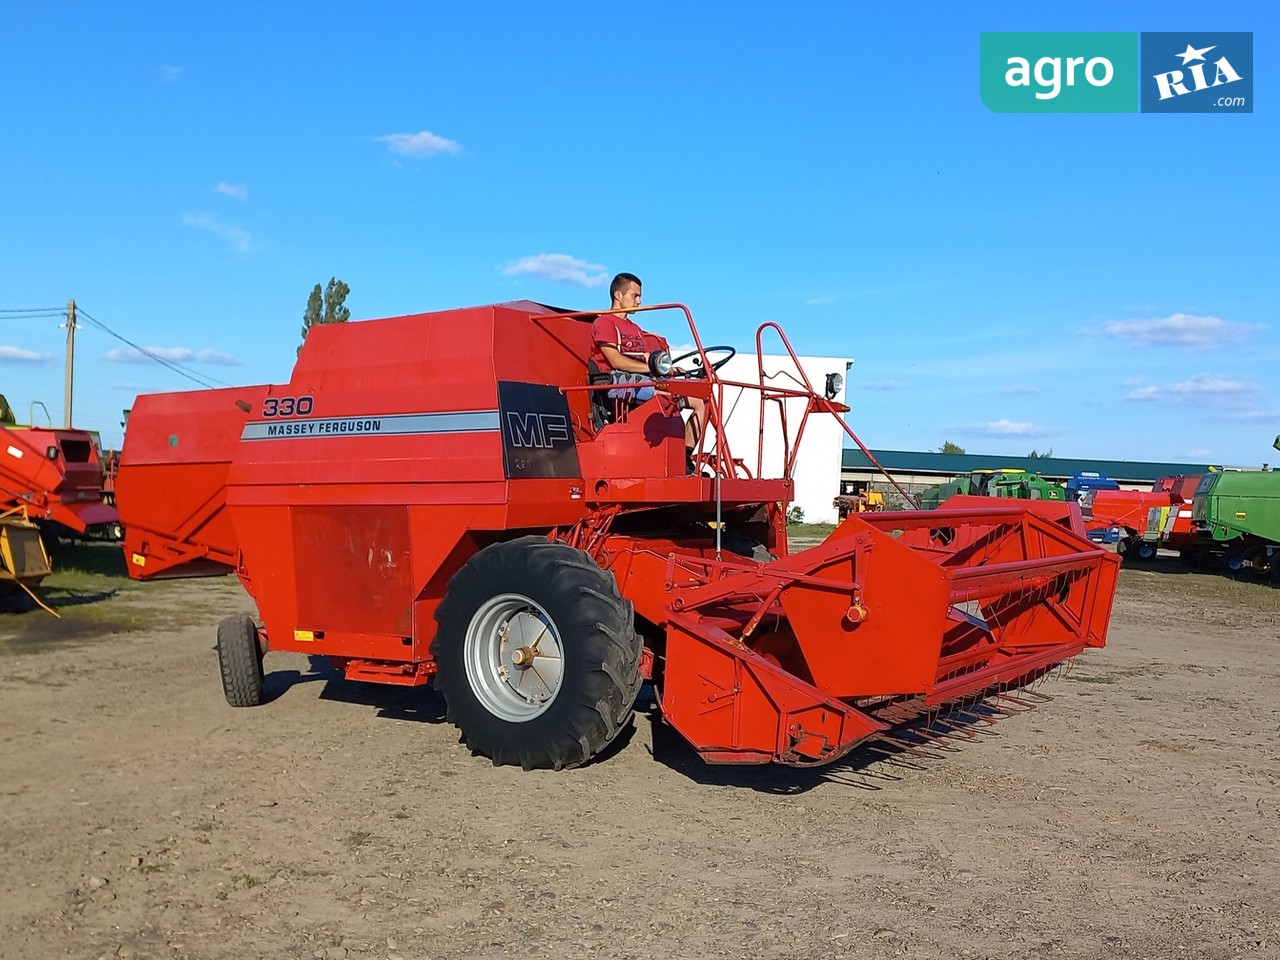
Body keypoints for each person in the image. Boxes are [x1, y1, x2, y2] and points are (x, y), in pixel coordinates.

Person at [589, 273, 708, 464]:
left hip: (642, 380)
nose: (639, 301)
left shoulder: (635, 328)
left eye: (639, 296)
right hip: (616, 382)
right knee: (669, 395)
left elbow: (646, 357)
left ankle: (684, 455)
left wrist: (669, 369)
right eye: (635, 296)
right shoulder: (604, 323)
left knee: (702, 400)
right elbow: (616, 361)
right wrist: (651, 370)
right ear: (618, 295)